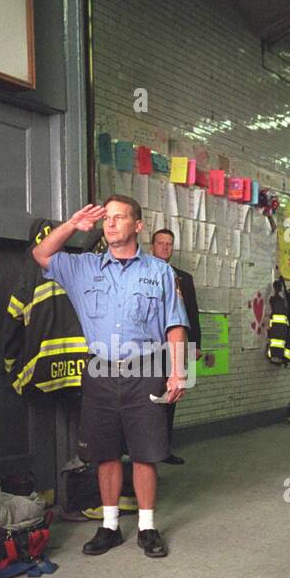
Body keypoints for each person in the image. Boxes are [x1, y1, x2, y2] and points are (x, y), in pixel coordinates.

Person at [32, 195, 189, 558]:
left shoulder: (160, 272)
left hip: (146, 368)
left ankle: (148, 528)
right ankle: (110, 526)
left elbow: (175, 326)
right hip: (100, 370)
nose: (111, 224)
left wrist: (179, 371)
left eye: (120, 218)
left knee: (145, 453)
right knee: (105, 454)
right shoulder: (84, 266)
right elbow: (41, 255)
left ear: (138, 226)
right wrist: (72, 225)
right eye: (108, 218)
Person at [148, 227, 201, 464]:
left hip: (175, 346)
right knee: (146, 397)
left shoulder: (183, 278)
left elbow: (191, 314)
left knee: (170, 398)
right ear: (152, 246)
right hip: (147, 348)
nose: (165, 248)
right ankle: (142, 449)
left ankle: (164, 449)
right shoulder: (142, 272)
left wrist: (195, 345)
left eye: (169, 244)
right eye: (161, 243)